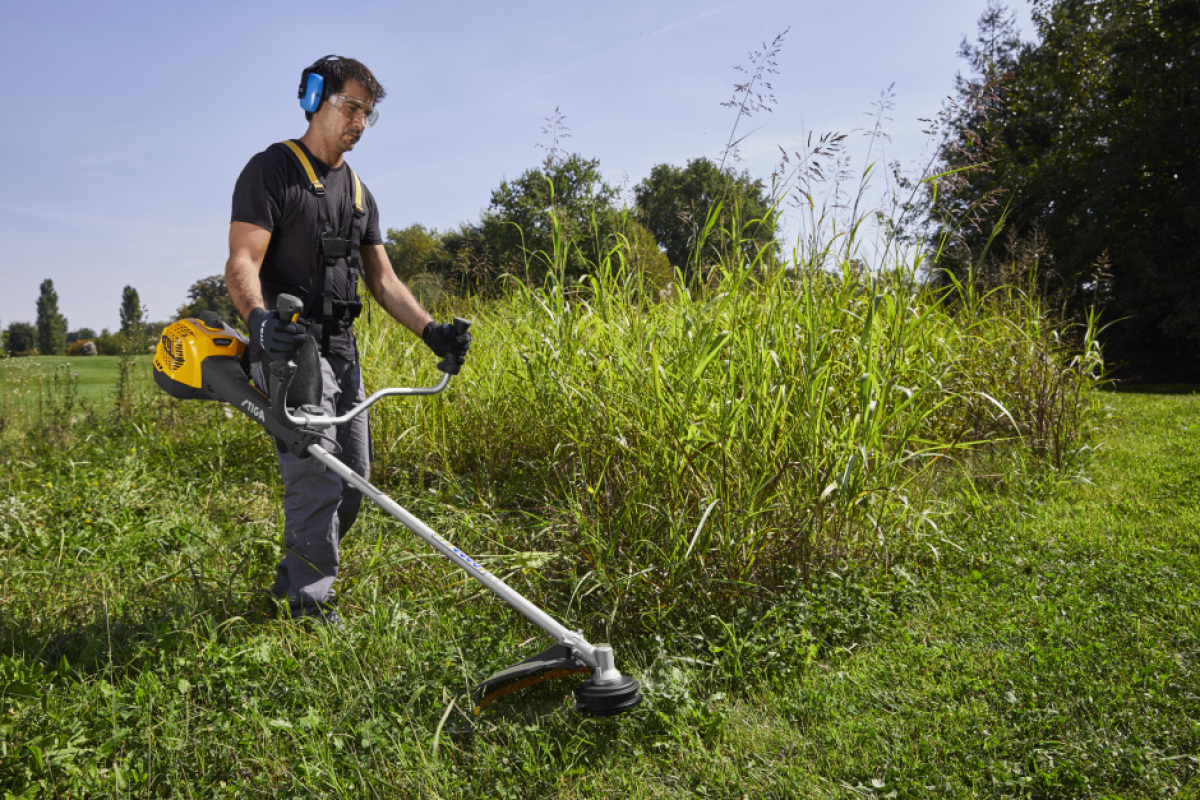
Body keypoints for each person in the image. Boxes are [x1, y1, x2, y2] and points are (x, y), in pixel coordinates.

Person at [225, 55, 470, 624]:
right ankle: (307, 607)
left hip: (340, 347)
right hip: (290, 346)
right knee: (318, 474)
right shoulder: (272, 171)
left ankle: (294, 580)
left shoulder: (358, 192)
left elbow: (384, 282)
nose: (360, 121)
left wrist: (432, 331)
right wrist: (259, 321)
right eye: (351, 107)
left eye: (368, 114)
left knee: (353, 479)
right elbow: (241, 261)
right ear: (315, 98)